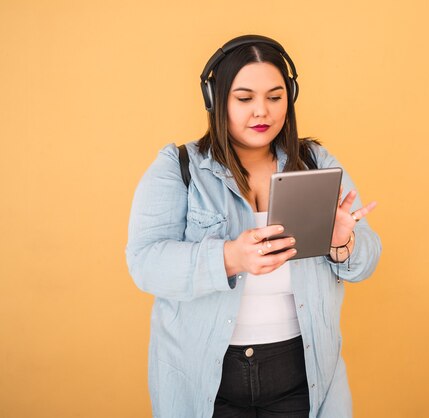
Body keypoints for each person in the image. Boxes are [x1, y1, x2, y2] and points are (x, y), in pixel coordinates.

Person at [126, 34, 382, 418]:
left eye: (275, 97)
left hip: (301, 375)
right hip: (207, 382)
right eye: (244, 99)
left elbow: (366, 261)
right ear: (216, 101)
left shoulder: (316, 161)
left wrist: (342, 243)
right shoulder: (177, 168)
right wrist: (230, 257)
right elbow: (145, 263)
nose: (262, 111)